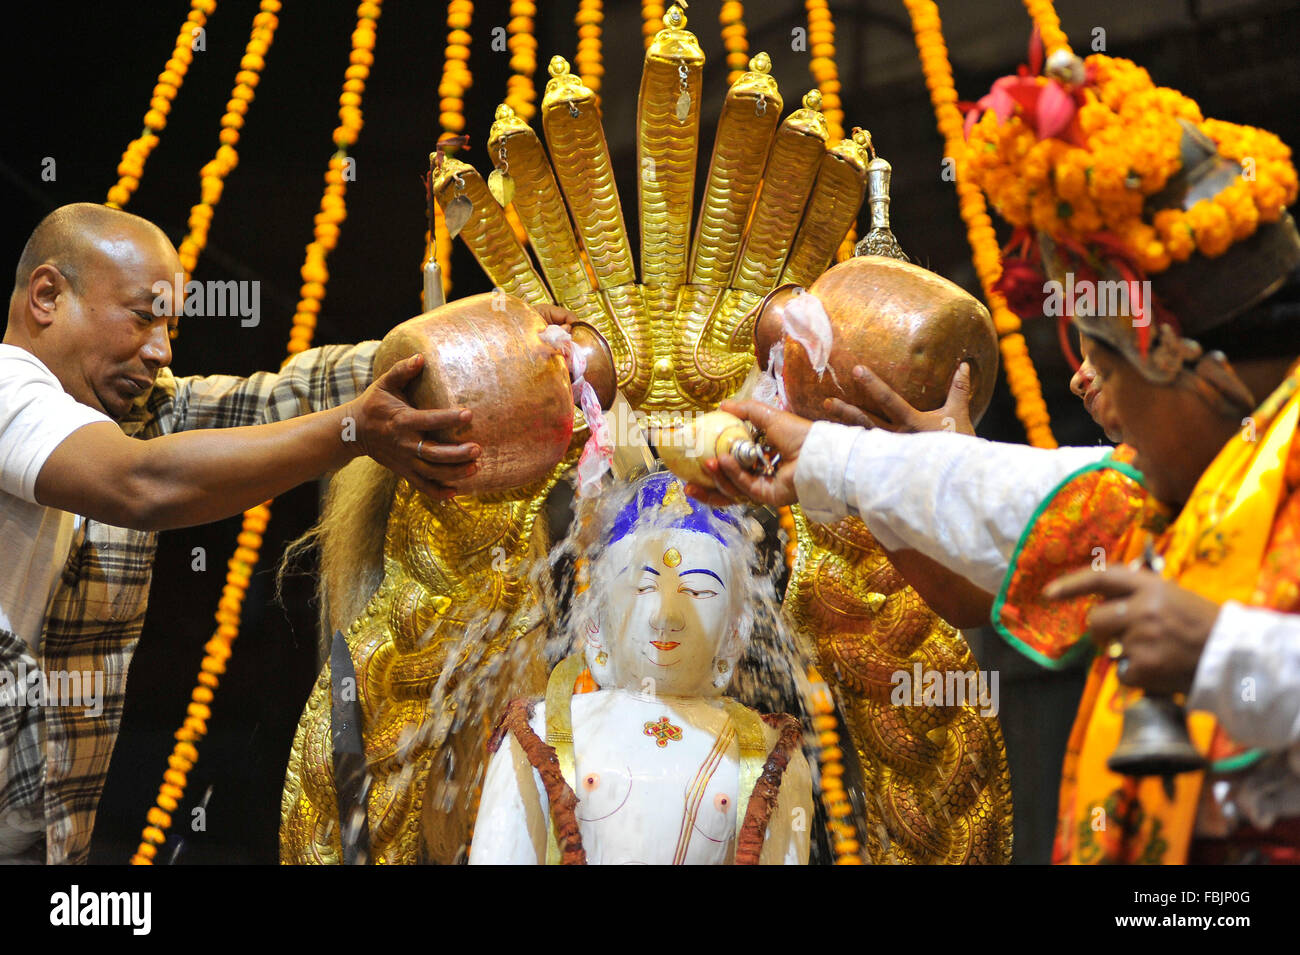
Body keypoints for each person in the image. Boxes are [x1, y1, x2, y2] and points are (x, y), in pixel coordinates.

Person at [691, 45, 1300, 863]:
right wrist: (855, 464)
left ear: (1171, 352)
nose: (1091, 391)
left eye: (1105, 363)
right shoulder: (1192, 491)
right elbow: (1034, 500)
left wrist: (1223, 651)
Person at [0, 202, 483, 863]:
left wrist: (464, 354)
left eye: (170, 327)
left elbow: (277, 399)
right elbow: (142, 485)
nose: (160, 351)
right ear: (48, 295)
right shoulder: (7, 388)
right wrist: (354, 428)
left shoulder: (125, 414)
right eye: (143, 318)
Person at [469, 471, 810, 864]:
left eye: (697, 591)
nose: (665, 616)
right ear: (594, 623)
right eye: (642, 587)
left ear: (735, 633)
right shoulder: (539, 732)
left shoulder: (769, 752)